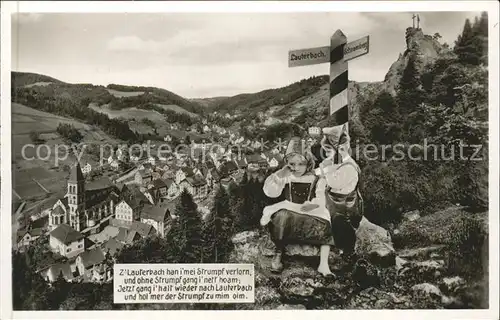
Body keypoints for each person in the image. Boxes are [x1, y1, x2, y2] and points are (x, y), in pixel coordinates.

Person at [261, 137, 334, 275]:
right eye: (292, 164)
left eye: (301, 164)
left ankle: (323, 264)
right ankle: (278, 252)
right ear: (287, 164)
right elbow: (270, 193)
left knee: (326, 222)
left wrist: (312, 206)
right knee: (281, 217)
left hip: (309, 211)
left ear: (308, 163)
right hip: (290, 210)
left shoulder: (316, 178)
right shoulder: (288, 177)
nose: (297, 168)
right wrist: (279, 175)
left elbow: (320, 199)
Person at [317, 125, 364, 259]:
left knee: (339, 224)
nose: (326, 155)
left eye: (328, 151)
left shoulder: (349, 167)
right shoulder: (339, 165)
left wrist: (325, 168)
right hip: (337, 206)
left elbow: (333, 183)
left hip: (346, 210)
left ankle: (347, 252)